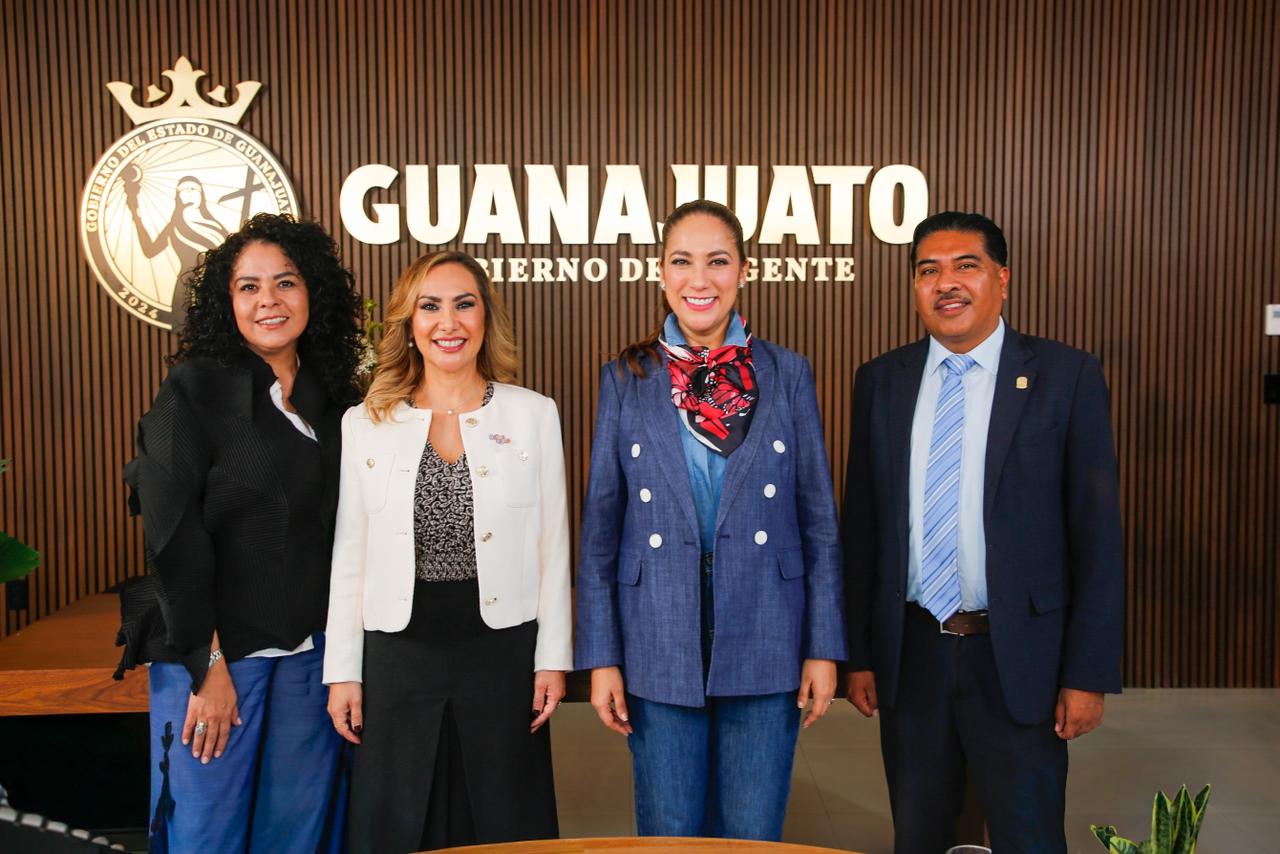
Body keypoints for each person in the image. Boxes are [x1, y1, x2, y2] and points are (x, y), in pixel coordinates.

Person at [842, 211, 1125, 853]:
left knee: (1029, 836)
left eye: (965, 266)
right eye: (928, 270)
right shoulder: (881, 380)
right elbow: (862, 528)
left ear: (1002, 278)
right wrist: (859, 654)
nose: (946, 283)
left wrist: (1088, 673)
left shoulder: (1066, 377)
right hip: (913, 653)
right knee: (920, 835)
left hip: (1019, 656)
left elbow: (1097, 537)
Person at [574, 199, 847, 841]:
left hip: (767, 628)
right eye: (683, 261)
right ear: (661, 273)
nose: (700, 279)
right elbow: (600, 533)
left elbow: (818, 522)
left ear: (744, 271)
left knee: (752, 833)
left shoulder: (787, 373)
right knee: (669, 832)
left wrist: (822, 646)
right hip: (657, 632)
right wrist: (602, 658)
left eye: (718, 261)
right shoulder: (626, 378)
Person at [123, 213, 364, 852]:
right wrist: (207, 668)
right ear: (225, 303)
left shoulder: (335, 398)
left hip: (310, 656)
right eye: (249, 287)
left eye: (285, 282)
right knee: (207, 833)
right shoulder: (194, 391)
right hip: (216, 656)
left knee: (299, 833)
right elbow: (172, 537)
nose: (269, 301)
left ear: (312, 291)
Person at [324, 250, 572, 853]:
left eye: (464, 304)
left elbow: (554, 546)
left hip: (501, 650)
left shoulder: (534, 414)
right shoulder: (366, 422)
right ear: (410, 323)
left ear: (486, 317)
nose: (448, 322)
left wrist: (552, 659)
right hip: (398, 653)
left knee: (505, 818)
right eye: (430, 307)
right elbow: (350, 553)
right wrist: (344, 672)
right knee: (397, 820)